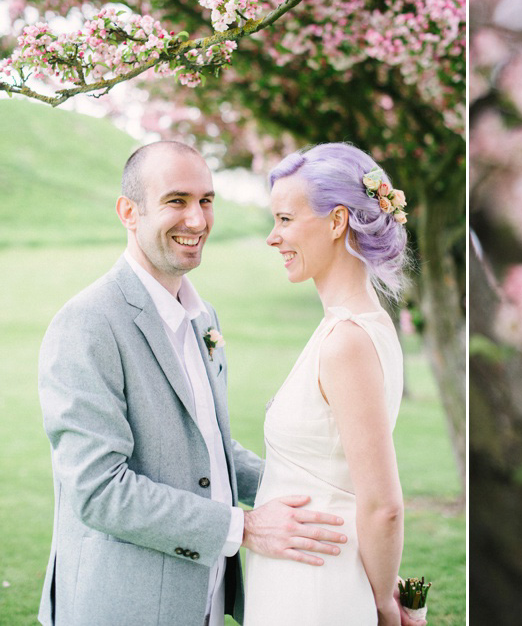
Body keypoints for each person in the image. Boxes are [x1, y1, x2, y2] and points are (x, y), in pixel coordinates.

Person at [37, 141, 347, 625]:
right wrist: (244, 527)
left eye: (206, 200)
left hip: (205, 601)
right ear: (128, 212)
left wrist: (324, 500)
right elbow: (99, 491)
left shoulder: (205, 318)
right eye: (176, 201)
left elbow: (212, 451)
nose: (198, 221)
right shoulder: (88, 323)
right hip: (123, 607)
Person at [243, 143, 424, 626]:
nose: (273, 237)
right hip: (302, 582)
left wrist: (384, 604)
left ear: (337, 221)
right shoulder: (363, 328)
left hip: (316, 592)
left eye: (284, 219)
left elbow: (383, 504)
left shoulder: (347, 342)